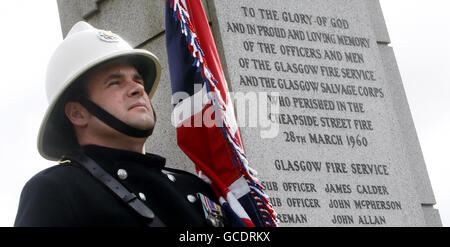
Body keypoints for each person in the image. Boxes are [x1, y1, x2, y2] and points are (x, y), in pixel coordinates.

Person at [14, 21, 224, 227]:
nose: (137, 89)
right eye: (115, 82)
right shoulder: (57, 189)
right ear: (77, 113)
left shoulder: (195, 188)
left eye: (138, 80)